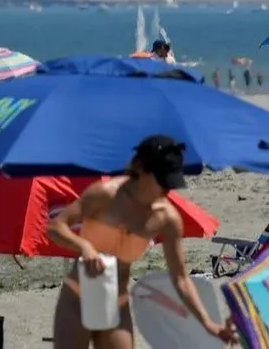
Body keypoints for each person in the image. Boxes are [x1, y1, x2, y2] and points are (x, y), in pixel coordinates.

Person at [47, 135, 236, 349]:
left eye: (171, 183)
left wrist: (209, 324)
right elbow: (55, 227)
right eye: (163, 182)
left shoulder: (166, 218)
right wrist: (85, 246)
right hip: (77, 297)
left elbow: (181, 279)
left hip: (115, 302)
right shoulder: (105, 195)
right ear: (142, 170)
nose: (167, 190)